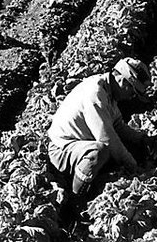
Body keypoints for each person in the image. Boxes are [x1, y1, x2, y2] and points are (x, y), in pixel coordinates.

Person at [46, 58, 151, 199]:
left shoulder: (109, 90)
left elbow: (117, 125)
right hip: (63, 148)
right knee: (99, 152)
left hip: (83, 142)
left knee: (121, 149)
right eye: (133, 91)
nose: (132, 97)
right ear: (122, 81)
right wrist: (132, 165)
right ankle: (77, 198)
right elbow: (106, 138)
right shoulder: (95, 95)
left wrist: (141, 138)